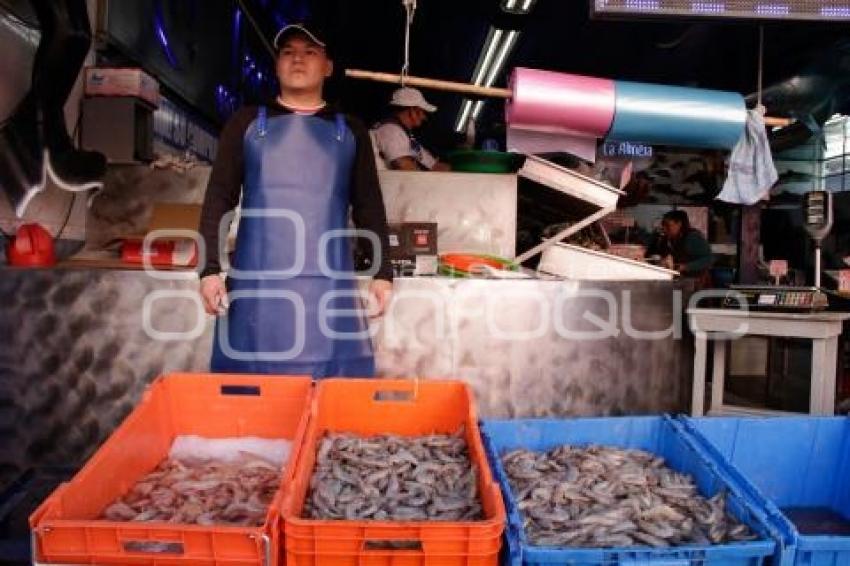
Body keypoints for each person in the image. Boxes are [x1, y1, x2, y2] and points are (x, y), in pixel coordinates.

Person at [198, 21, 393, 378]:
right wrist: (209, 270)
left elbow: (369, 205)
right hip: (255, 289)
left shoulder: (351, 130)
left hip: (328, 287)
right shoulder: (244, 123)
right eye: (287, 52)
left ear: (328, 66)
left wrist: (383, 273)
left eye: (309, 52)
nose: (297, 60)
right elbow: (218, 198)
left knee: (327, 391)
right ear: (276, 64)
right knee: (251, 391)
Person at [371, 87, 451, 171]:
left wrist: (459, 169)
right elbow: (405, 167)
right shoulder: (390, 130)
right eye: (422, 112)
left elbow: (434, 166)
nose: (424, 118)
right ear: (412, 111)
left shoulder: (407, 137)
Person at [645, 210, 713, 282]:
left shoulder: (693, 238)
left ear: (679, 224)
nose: (664, 228)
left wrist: (686, 267)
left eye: (667, 225)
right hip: (677, 279)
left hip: (695, 281)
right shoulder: (667, 239)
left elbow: (709, 259)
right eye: (663, 225)